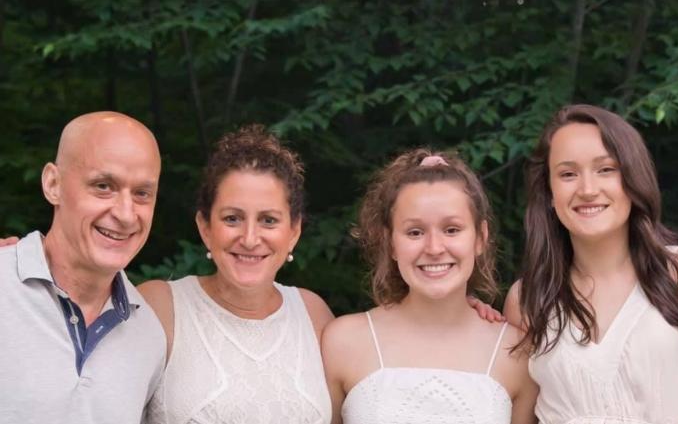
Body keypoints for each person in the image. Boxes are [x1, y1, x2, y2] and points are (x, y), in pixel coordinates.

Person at [504, 104, 678, 423]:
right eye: (567, 174)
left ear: (633, 178)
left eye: (606, 169)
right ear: (549, 192)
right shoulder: (527, 299)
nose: (588, 190)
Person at [321, 149, 538, 424]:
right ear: (390, 243)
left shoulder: (515, 352)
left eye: (451, 230)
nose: (434, 248)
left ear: (480, 237)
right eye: (415, 232)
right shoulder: (343, 341)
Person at [138, 125, 335, 424]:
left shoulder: (314, 315)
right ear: (205, 227)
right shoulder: (160, 307)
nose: (250, 238)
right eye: (232, 218)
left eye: (268, 220)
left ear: (294, 232)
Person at [0, 112, 167, 424]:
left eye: (142, 193)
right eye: (104, 186)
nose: (126, 214)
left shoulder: (148, 335)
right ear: (53, 184)